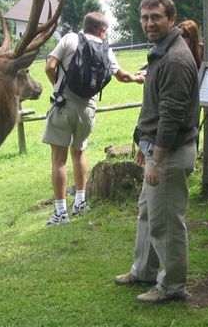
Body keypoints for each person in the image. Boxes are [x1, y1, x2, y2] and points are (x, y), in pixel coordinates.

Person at [115, 0, 199, 304]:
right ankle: (144, 270)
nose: (149, 23)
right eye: (145, 17)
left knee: (165, 221)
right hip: (156, 149)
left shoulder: (175, 59)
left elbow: (172, 116)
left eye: (156, 17)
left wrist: (157, 159)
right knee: (149, 214)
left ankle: (172, 285)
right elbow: (154, 108)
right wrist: (144, 145)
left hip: (170, 153)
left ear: (171, 20)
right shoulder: (160, 52)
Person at [42, 11, 145, 226]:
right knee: (79, 153)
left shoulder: (70, 38)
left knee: (58, 159)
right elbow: (122, 76)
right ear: (100, 30)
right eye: (105, 31)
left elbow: (50, 66)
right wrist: (137, 78)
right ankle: (80, 202)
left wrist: (58, 87)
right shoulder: (105, 49)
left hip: (63, 105)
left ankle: (61, 213)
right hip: (88, 108)